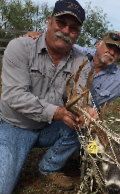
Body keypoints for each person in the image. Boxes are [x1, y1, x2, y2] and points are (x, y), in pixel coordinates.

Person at [0, 0, 96, 193]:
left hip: (48, 127)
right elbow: (14, 95)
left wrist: (86, 112)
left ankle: (49, 167)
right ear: (49, 21)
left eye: (74, 28)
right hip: (15, 125)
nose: (66, 31)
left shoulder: (82, 62)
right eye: (61, 23)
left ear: (78, 34)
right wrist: (59, 113)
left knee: (83, 129)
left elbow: (80, 96)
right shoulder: (20, 47)